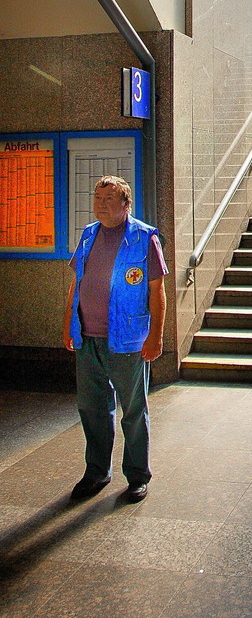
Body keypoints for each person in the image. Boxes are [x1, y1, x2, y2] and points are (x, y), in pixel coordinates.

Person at [62, 175, 167, 503]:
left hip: (128, 340)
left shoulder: (144, 238)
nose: (101, 205)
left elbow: (156, 290)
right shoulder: (88, 235)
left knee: (133, 410)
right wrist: (68, 324)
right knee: (91, 408)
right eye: (97, 198)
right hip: (88, 338)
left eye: (109, 199)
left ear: (126, 204)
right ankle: (96, 472)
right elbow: (76, 284)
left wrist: (156, 337)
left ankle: (137, 476)